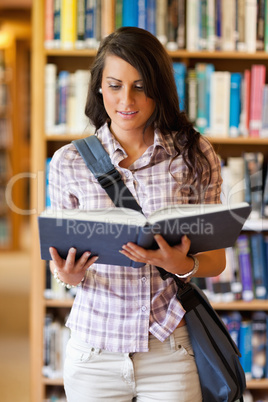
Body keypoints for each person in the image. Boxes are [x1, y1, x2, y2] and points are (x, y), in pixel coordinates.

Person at [48, 27, 226, 402]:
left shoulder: (194, 155)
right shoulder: (69, 161)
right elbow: (61, 258)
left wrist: (182, 263)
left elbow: (216, 261)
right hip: (94, 350)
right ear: (99, 87)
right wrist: (66, 274)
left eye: (141, 86)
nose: (126, 100)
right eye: (114, 85)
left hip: (169, 350)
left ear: (159, 88)